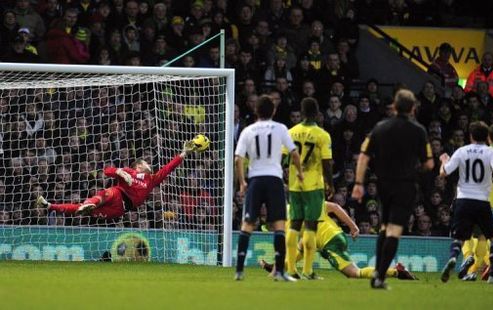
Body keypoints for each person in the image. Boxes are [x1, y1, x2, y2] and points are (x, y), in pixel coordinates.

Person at [352, 89, 434, 289]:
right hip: (405, 185)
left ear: (395, 107)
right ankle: (379, 276)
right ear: (413, 108)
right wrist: (416, 168)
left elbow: (363, 156)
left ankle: (378, 274)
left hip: (383, 184)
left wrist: (358, 183)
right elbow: (429, 164)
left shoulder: (380, 128)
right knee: (394, 231)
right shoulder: (418, 131)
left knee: (383, 227)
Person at [35, 140, 199, 219]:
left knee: (85, 211)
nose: (149, 164)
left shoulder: (151, 179)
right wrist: (120, 171)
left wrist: (183, 153)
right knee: (100, 197)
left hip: (120, 210)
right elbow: (107, 171)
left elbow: (168, 169)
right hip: (117, 194)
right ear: (139, 166)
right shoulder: (130, 171)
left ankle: (54, 206)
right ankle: (60, 205)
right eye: (145, 162)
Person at [234, 95, 303, 282]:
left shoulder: (248, 130)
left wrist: (242, 181)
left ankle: (239, 271)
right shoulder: (280, 128)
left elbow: (238, 158)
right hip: (274, 180)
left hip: (255, 180)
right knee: (279, 226)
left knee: (247, 225)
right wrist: (300, 173)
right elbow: (294, 153)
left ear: (256, 111)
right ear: (273, 111)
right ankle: (279, 272)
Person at [259, 201, 417, 281]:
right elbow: (334, 207)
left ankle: (396, 271)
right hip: (336, 235)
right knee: (303, 246)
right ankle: (396, 271)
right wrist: (353, 226)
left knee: (355, 273)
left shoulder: (287, 228)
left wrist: (274, 271)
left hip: (329, 242)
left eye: (270, 228)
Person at [439, 121, 493, 284]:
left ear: (471, 136)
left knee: (459, 238)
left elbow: (444, 173)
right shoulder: (491, 152)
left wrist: (444, 161)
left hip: (463, 200)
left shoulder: (461, 151)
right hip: (482, 201)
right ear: (486, 136)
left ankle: (453, 258)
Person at [286, 97, 333, 280]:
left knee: (295, 224)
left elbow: (284, 159)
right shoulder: (322, 135)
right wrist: (330, 184)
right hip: (313, 186)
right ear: (317, 113)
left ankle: (290, 270)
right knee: (310, 226)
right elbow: (327, 162)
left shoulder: (290, 133)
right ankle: (307, 271)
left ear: (302, 112)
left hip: (295, 185)